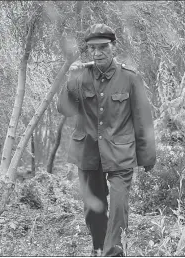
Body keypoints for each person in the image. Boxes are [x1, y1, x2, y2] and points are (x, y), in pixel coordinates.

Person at [57, 23, 156, 257]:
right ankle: (98, 247)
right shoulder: (80, 76)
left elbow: (143, 119)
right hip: (88, 152)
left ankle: (113, 253)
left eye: (102, 47)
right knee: (94, 209)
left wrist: (148, 157)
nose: (97, 53)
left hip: (120, 153)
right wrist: (70, 81)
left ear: (113, 47)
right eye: (92, 48)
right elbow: (66, 110)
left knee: (119, 206)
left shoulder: (131, 79)